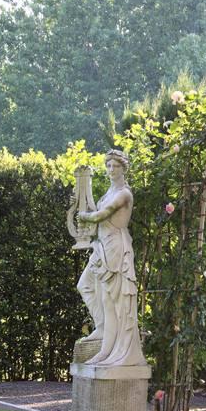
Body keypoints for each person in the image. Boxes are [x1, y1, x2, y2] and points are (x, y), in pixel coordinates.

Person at [76, 150, 146, 366]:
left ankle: (109, 351)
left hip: (116, 247)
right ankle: (103, 329)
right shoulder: (109, 190)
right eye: (108, 166)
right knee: (85, 285)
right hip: (102, 246)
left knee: (111, 301)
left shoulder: (124, 194)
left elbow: (101, 215)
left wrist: (84, 216)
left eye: (115, 166)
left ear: (123, 168)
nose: (110, 170)